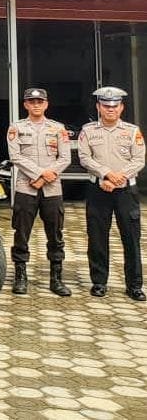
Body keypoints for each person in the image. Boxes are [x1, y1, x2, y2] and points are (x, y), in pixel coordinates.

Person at [79, 86, 146, 301]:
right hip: (98, 189)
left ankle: (134, 285)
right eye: (106, 106)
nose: (110, 109)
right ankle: (99, 282)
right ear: (98, 107)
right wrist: (106, 174)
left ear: (121, 107)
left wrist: (119, 177)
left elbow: (139, 159)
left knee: (131, 238)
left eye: (115, 106)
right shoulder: (88, 131)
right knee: (97, 237)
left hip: (126, 190)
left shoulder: (132, 131)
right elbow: (85, 158)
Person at [7, 87, 72, 296]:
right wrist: (39, 174)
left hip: (52, 188)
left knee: (55, 233)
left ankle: (56, 279)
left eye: (40, 102)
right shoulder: (16, 128)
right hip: (26, 187)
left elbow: (65, 158)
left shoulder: (58, 128)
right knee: (21, 233)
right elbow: (15, 156)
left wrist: (44, 177)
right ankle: (20, 277)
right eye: (31, 102)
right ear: (25, 105)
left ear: (46, 104)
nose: (36, 105)